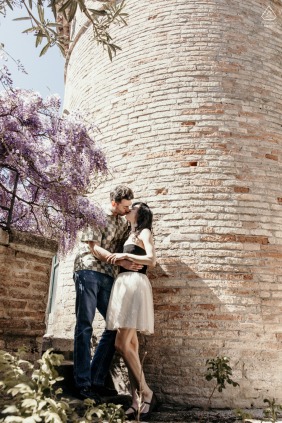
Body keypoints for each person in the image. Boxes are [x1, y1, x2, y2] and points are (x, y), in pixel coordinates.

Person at [73, 185, 143, 401]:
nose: (127, 209)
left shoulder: (123, 223)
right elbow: (94, 249)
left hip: (109, 276)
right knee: (85, 325)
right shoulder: (95, 216)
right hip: (88, 270)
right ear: (114, 202)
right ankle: (83, 384)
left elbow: (127, 245)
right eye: (125, 206)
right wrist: (118, 259)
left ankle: (96, 379)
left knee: (114, 327)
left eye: (129, 206)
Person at [105, 202, 157, 421]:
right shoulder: (130, 233)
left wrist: (123, 258)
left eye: (132, 208)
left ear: (140, 213)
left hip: (135, 284)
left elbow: (152, 260)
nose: (128, 210)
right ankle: (137, 399)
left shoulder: (144, 232)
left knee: (121, 344)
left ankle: (147, 392)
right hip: (123, 284)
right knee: (130, 346)